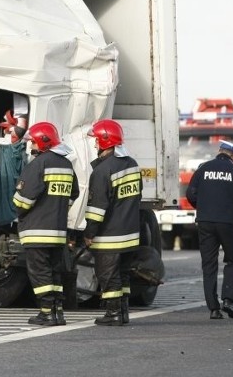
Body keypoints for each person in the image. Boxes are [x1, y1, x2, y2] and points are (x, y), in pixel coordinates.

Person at [13, 122, 78, 326]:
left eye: (32, 141)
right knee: (54, 272)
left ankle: (46, 313)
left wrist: (17, 207)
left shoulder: (38, 164)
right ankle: (57, 311)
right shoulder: (66, 164)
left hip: (37, 231)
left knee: (40, 273)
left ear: (42, 142)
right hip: (58, 231)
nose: (30, 145)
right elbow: (73, 193)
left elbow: (22, 201)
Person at [84, 119, 142, 326]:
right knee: (123, 275)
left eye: (96, 140)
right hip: (130, 233)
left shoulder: (102, 171)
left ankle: (113, 313)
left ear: (104, 141)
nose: (94, 144)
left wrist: (89, 233)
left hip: (110, 235)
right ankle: (123, 312)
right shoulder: (132, 164)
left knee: (108, 275)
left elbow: (97, 208)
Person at [187, 140, 233, 320]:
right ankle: (229, 301)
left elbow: (191, 194)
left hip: (205, 221)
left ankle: (213, 309)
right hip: (228, 223)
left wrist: (203, 207)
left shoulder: (202, 168)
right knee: (232, 260)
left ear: (220, 151)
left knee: (209, 264)